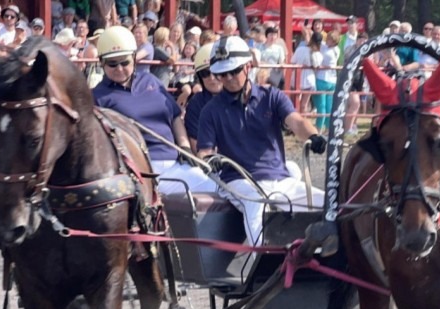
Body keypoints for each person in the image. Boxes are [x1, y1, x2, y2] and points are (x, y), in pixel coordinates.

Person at [196, 36, 327, 247]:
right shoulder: (210, 111)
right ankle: (263, 260)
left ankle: (331, 260)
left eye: (234, 71)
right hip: (238, 181)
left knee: (329, 204)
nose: (228, 78)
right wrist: (211, 159)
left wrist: (314, 136)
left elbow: (297, 122)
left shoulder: (272, 96)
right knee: (257, 202)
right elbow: (204, 152)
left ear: (248, 66)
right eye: (221, 74)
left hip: (280, 179)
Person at [92, 26, 215, 195]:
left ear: (134, 58)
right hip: (139, 169)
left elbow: (175, 116)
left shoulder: (151, 80)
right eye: (112, 63)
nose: (119, 68)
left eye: (125, 62)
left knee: (217, 188)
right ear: (102, 62)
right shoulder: (98, 97)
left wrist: (185, 149)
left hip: (175, 162)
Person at [184, 43, 221, 150]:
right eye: (205, 73)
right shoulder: (196, 104)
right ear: (200, 77)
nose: (212, 78)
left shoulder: (241, 99)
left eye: (216, 72)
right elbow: (197, 146)